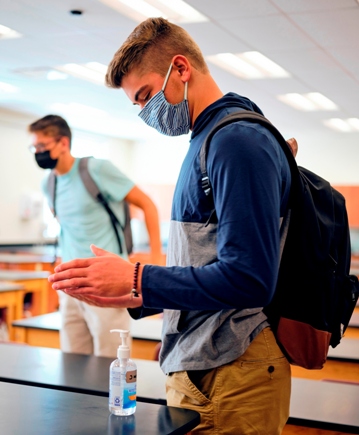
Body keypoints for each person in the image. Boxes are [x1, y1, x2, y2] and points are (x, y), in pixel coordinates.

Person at [48, 18, 293, 434]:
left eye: (145, 96)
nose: (146, 112)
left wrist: (139, 278)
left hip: (230, 372)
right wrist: (129, 292)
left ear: (180, 69)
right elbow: (203, 265)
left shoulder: (236, 141)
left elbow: (250, 279)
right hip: (206, 367)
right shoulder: (208, 138)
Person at [29, 114, 162, 358]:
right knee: (72, 362)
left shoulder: (96, 169)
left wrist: (154, 262)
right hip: (70, 286)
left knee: (110, 363)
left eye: (42, 146)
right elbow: (67, 227)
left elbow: (148, 205)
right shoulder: (48, 184)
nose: (38, 152)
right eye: (34, 147)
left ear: (63, 143)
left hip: (106, 283)